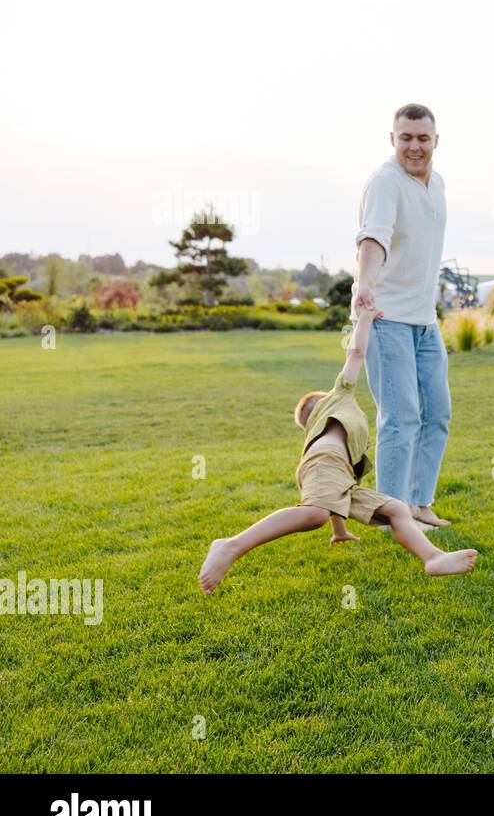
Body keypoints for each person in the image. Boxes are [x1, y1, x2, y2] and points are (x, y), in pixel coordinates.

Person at [198, 303, 477, 595]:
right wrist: (365, 319)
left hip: (339, 473)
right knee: (314, 513)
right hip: (328, 463)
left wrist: (340, 531)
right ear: (323, 403)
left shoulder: (330, 443)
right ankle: (230, 546)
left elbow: (336, 493)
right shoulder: (339, 396)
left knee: (395, 509)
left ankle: (433, 557)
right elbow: (356, 352)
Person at [353, 103, 453, 530]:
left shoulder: (438, 183)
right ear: (392, 139)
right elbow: (373, 237)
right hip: (385, 318)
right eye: (406, 137)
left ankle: (419, 504)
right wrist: (365, 282)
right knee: (401, 417)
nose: (414, 146)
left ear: (436, 141)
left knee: (437, 413)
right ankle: (391, 514)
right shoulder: (385, 183)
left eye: (423, 138)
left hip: (425, 321)